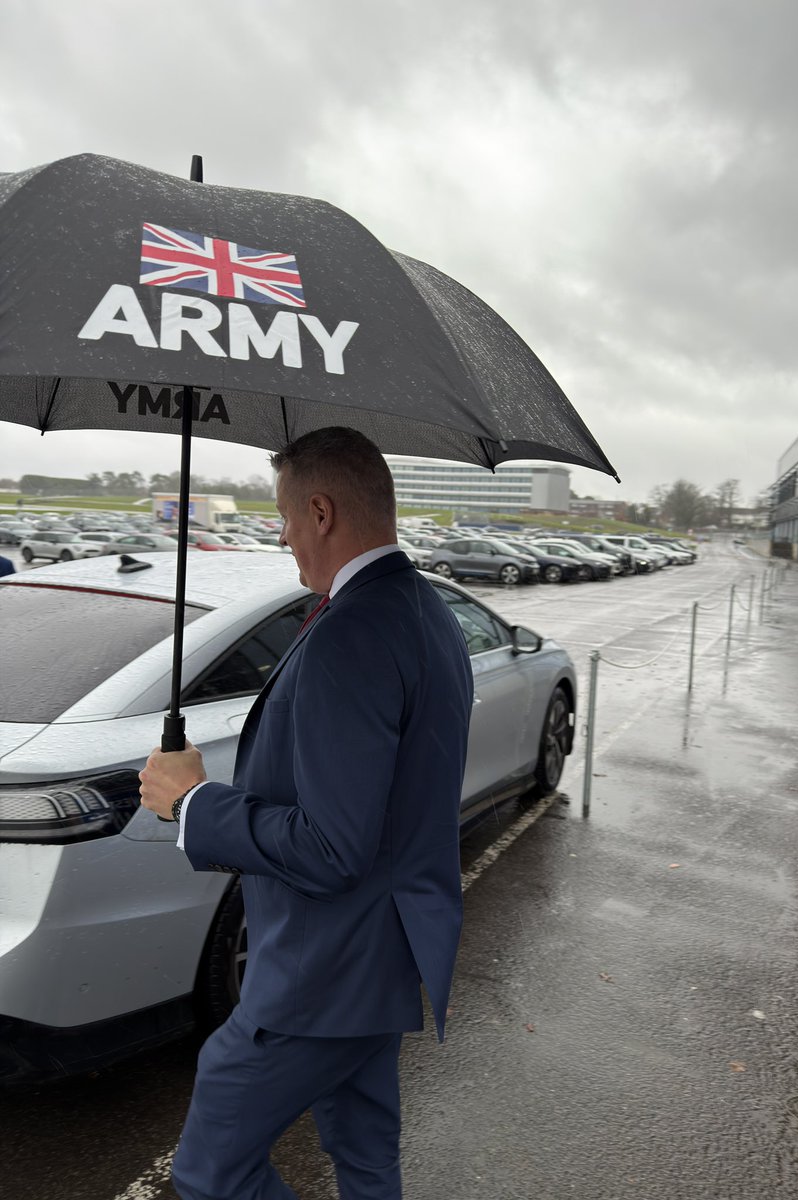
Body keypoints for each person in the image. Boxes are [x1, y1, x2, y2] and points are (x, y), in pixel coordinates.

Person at [139, 426, 474, 1200]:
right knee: (364, 1160)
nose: (282, 535)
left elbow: (331, 847)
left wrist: (194, 803)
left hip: (319, 973)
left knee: (211, 1172)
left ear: (321, 512)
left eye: (285, 516)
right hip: (380, 958)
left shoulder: (350, 633)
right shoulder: (422, 609)